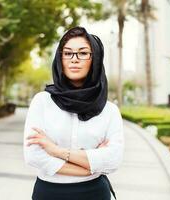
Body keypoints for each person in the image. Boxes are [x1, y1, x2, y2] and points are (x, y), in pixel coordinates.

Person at [23, 26, 124, 200]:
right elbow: (33, 156)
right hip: (49, 193)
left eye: (83, 53)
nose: (74, 59)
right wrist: (89, 167)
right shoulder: (42, 102)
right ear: (60, 59)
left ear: (95, 59)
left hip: (95, 193)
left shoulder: (109, 111)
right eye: (68, 53)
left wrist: (56, 150)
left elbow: (112, 160)